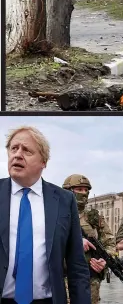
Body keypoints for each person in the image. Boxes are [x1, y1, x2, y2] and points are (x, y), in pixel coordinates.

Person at [1, 127, 91, 304]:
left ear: (43, 161)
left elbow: (77, 266)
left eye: (26, 150)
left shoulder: (64, 200)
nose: (18, 155)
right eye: (14, 148)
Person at [62, 175, 116, 304]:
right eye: (79, 189)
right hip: (63, 276)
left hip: (89, 278)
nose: (83, 193)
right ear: (68, 191)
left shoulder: (94, 217)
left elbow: (110, 242)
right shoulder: (57, 214)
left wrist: (104, 260)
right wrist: (74, 242)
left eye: (86, 190)